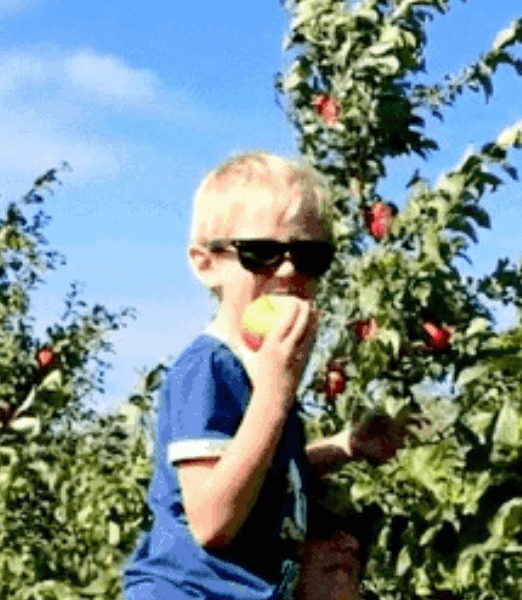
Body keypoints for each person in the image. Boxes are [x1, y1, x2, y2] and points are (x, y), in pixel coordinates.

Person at [122, 151, 401, 600]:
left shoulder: (265, 373)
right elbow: (212, 518)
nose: (288, 270)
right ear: (205, 263)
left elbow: (267, 476)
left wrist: (345, 446)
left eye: (310, 255)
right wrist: (275, 390)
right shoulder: (209, 368)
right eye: (262, 253)